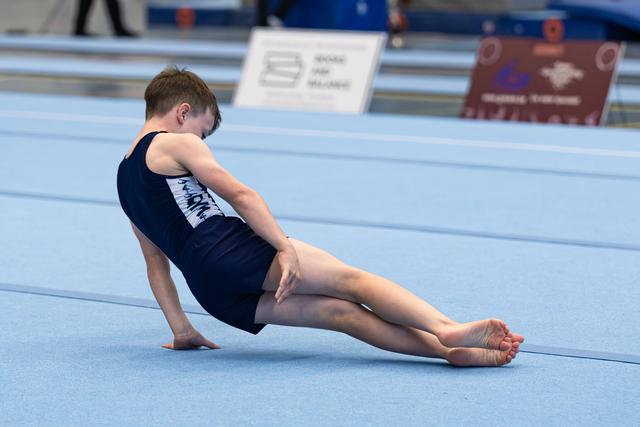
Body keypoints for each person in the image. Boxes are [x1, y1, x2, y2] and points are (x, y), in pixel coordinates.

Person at [116, 67, 524, 367]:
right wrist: (282, 247)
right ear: (183, 112)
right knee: (353, 282)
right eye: (202, 132)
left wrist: (181, 328)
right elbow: (240, 194)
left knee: (340, 315)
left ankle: (446, 351)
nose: (200, 141)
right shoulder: (173, 142)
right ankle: (445, 326)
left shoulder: (123, 179)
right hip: (225, 248)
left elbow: (156, 264)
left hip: (209, 290)